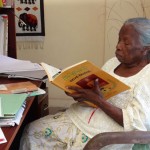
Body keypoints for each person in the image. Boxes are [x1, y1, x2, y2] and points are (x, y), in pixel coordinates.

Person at [19, 17, 150, 150]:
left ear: (145, 49)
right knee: (32, 129)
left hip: (109, 134)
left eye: (126, 43)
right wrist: (80, 94)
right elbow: (98, 94)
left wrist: (99, 101)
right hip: (84, 116)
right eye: (119, 39)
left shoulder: (147, 76)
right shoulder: (112, 63)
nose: (118, 46)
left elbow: (139, 124)